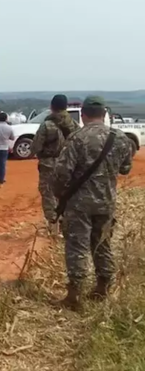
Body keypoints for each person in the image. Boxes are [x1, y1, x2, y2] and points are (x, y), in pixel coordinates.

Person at [52, 96, 132, 311]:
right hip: (106, 201)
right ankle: (103, 287)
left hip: (79, 203)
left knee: (77, 245)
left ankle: (74, 295)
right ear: (104, 114)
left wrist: (59, 196)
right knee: (102, 243)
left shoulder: (77, 138)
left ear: (83, 114)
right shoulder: (121, 138)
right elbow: (126, 168)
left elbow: (61, 172)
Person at [31, 94, 78, 235]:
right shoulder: (74, 124)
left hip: (49, 165)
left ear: (52, 107)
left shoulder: (47, 125)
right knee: (66, 194)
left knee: (48, 194)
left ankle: (53, 227)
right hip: (69, 165)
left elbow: (35, 147)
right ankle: (66, 225)